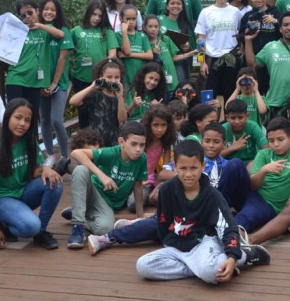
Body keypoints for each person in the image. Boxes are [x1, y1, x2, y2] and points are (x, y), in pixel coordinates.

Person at [87, 124, 252, 256]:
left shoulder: (228, 167)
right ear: (201, 141)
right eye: (207, 141)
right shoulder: (191, 158)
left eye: (216, 142)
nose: (211, 145)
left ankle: (138, 223)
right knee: (156, 225)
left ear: (224, 144)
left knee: (167, 227)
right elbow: (168, 176)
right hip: (181, 209)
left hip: (207, 212)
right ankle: (108, 238)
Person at [135, 139, 271, 284]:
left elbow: (228, 227)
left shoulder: (213, 195)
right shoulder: (166, 190)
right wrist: (170, 241)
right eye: (183, 168)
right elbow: (163, 222)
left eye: (193, 168)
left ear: (202, 166)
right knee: (143, 266)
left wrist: (232, 257)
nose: (188, 174)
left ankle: (244, 256)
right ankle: (199, 268)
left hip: (205, 242)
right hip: (177, 246)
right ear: (174, 167)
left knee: (212, 273)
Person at [0, 99, 63, 250]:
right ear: (7, 117)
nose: (22, 124)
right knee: (30, 226)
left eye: (27, 120)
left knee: (55, 181)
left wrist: (46, 169)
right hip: (2, 199)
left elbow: (33, 171)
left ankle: (41, 232)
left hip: (23, 192)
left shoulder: (28, 141)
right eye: (18, 118)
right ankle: (6, 224)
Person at [65, 121, 148, 248]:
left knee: (104, 229)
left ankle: (78, 213)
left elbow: (138, 186)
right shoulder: (112, 153)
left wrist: (140, 216)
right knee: (80, 170)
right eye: (134, 144)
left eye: (142, 145)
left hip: (107, 204)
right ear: (122, 142)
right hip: (93, 190)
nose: (138, 149)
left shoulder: (142, 158)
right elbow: (76, 153)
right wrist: (101, 175)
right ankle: (78, 226)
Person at [232, 117, 290, 233]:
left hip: (268, 203)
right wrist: (264, 170)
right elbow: (253, 186)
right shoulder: (263, 154)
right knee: (235, 164)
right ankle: (215, 207)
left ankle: (227, 238)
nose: (275, 144)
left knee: (242, 221)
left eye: (280, 139)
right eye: (271, 140)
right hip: (248, 193)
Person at [5, 0, 64, 121]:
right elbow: (4, 48)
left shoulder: (45, 30)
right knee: (14, 116)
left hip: (35, 82)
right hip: (16, 78)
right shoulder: (18, 30)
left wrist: (40, 25)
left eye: (30, 12)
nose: (28, 17)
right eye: (23, 15)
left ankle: (32, 141)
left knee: (31, 118)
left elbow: (60, 34)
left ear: (37, 11)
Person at [37, 0, 74, 156]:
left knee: (57, 120)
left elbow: (62, 58)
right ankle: (50, 156)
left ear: (57, 12)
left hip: (59, 83)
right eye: (46, 9)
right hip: (40, 83)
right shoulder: (35, 31)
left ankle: (65, 156)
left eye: (53, 9)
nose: (49, 12)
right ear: (40, 11)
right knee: (44, 120)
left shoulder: (64, 30)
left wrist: (54, 83)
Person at [196, 0, 241, 103]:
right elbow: (200, 39)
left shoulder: (235, 12)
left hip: (231, 60)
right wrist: (202, 63)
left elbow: (239, 34)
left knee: (230, 96)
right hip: (212, 60)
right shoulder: (206, 12)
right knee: (208, 98)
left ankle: (229, 121)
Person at [126, 105, 177, 211]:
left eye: (163, 125)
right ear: (149, 125)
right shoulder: (141, 139)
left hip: (148, 180)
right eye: (156, 125)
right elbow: (131, 161)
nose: (160, 129)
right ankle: (150, 199)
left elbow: (165, 168)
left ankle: (150, 198)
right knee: (132, 204)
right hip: (131, 176)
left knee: (133, 205)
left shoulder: (165, 142)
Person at [69, 58, 127, 149]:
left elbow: (122, 120)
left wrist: (120, 97)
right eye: (109, 77)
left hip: (113, 141)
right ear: (101, 76)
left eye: (117, 77)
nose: (113, 80)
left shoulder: (118, 97)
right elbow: (73, 101)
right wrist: (92, 86)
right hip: (95, 142)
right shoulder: (95, 95)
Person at [237, 0, 281, 94]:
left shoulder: (275, 12)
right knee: (255, 88)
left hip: (273, 58)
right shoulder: (247, 16)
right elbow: (241, 35)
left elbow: (285, 30)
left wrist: (276, 22)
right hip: (254, 57)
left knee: (272, 87)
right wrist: (247, 34)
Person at [70, 0, 119, 93]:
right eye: (94, 14)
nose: (97, 18)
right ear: (88, 13)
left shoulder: (108, 31)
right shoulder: (77, 30)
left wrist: (101, 71)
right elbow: (64, 46)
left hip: (100, 79)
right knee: (81, 106)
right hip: (79, 76)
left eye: (100, 16)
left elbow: (112, 55)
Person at [143, 15, 194, 93]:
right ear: (145, 28)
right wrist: (154, 53)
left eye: (156, 26)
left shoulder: (165, 39)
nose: (153, 29)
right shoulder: (144, 42)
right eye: (150, 26)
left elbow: (174, 57)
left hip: (172, 82)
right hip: (157, 84)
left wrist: (191, 53)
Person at [158, 0, 195, 83]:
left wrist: (187, 46)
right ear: (167, 6)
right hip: (160, 60)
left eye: (178, 4)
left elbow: (190, 44)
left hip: (177, 63)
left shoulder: (185, 25)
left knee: (179, 87)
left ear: (182, 7)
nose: (175, 6)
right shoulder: (159, 19)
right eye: (172, 3)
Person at [116, 4, 153, 86]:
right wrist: (124, 32)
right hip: (126, 79)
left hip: (141, 77)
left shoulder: (142, 35)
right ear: (121, 19)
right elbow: (127, 51)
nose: (131, 21)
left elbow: (150, 55)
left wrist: (130, 55)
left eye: (133, 19)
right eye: (128, 19)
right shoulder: (118, 35)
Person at [221, 99, 267, 163]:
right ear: (227, 118)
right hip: (228, 163)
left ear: (247, 116)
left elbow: (267, 149)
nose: (237, 122)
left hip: (250, 162)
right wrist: (232, 148)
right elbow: (214, 156)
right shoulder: (222, 129)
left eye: (240, 117)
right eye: (233, 118)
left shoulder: (252, 127)